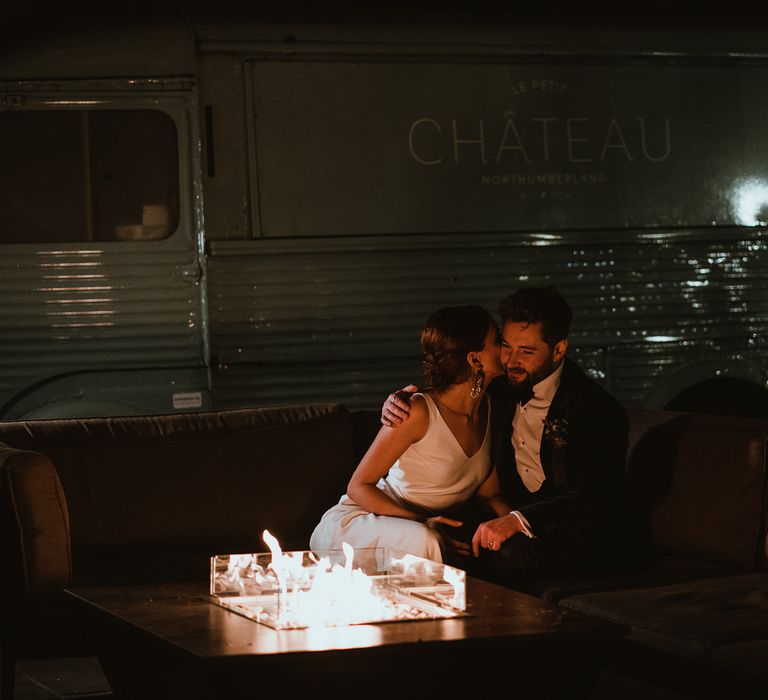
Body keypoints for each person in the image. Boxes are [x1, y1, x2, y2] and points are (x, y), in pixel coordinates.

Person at [382, 286, 630, 591]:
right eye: (506, 346)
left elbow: (596, 497)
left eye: (526, 352)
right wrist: (398, 400)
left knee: (503, 555)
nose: (511, 360)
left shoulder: (597, 409)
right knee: (446, 542)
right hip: (500, 519)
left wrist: (518, 521)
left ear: (559, 350)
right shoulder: (495, 390)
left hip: (576, 533)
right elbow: (446, 396)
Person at [309, 304, 504, 563]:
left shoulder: (492, 409)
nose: (506, 345)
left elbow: (489, 495)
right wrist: (423, 522)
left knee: (427, 539)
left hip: (421, 532)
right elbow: (358, 487)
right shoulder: (418, 411)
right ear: (474, 359)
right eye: (497, 339)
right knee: (426, 540)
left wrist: (523, 524)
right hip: (358, 525)